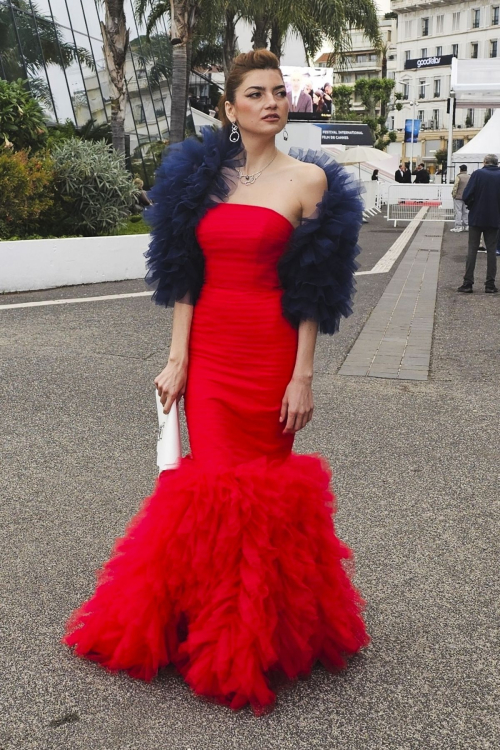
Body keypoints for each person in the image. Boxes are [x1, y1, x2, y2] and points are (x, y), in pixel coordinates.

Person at [62, 50, 368, 714]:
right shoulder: (201, 182)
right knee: (211, 492)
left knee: (260, 496)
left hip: (270, 356)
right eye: (256, 93)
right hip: (210, 360)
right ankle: (205, 626)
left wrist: (303, 376)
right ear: (230, 109)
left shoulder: (310, 181)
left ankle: (252, 639)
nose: (272, 102)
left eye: (280, 93)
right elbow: (184, 277)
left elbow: (315, 293)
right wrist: (177, 358)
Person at [457, 154, 500, 293]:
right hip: (494, 218)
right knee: (491, 251)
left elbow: (466, 195)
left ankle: (468, 283)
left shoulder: (477, 174)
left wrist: (472, 206)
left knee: (472, 249)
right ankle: (490, 284)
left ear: (485, 162)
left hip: (477, 217)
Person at [450, 164, 470, 232]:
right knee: (466, 211)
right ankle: (467, 226)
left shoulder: (459, 176)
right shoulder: (469, 177)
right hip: (467, 197)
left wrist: (454, 194)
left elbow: (456, 186)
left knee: (458, 211)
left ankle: (458, 226)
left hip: (458, 196)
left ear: (460, 169)